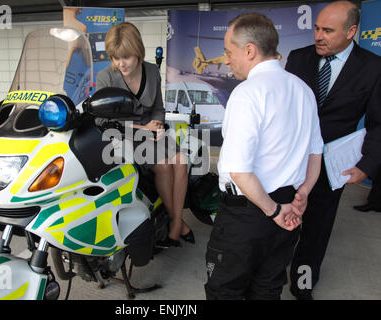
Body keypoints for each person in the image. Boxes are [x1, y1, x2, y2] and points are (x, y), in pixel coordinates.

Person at [204, 12, 323, 300]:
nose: (227, 60)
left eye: (229, 52)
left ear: (249, 50)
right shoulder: (303, 90)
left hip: (248, 214)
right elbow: (316, 152)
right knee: (268, 288)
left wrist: (273, 211)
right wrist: (303, 192)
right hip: (288, 206)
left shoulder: (247, 93)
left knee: (225, 290)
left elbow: (240, 171)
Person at [285, 1, 381, 300]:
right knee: (281, 221)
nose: (318, 36)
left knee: (317, 226)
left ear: (351, 31)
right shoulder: (298, 58)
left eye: (328, 30)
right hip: (291, 161)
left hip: (332, 165)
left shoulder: (373, 68)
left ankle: (302, 283)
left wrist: (367, 165)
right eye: (316, 28)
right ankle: (268, 278)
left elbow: (379, 124)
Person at [96, 22, 194, 248]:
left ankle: (176, 222)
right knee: (163, 165)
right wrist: (143, 129)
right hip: (124, 136)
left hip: (153, 131)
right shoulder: (106, 77)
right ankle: (177, 224)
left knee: (181, 161)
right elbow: (102, 120)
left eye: (126, 57)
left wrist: (158, 125)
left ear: (138, 52)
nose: (120, 63)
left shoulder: (151, 71)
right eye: (115, 57)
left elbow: (158, 107)